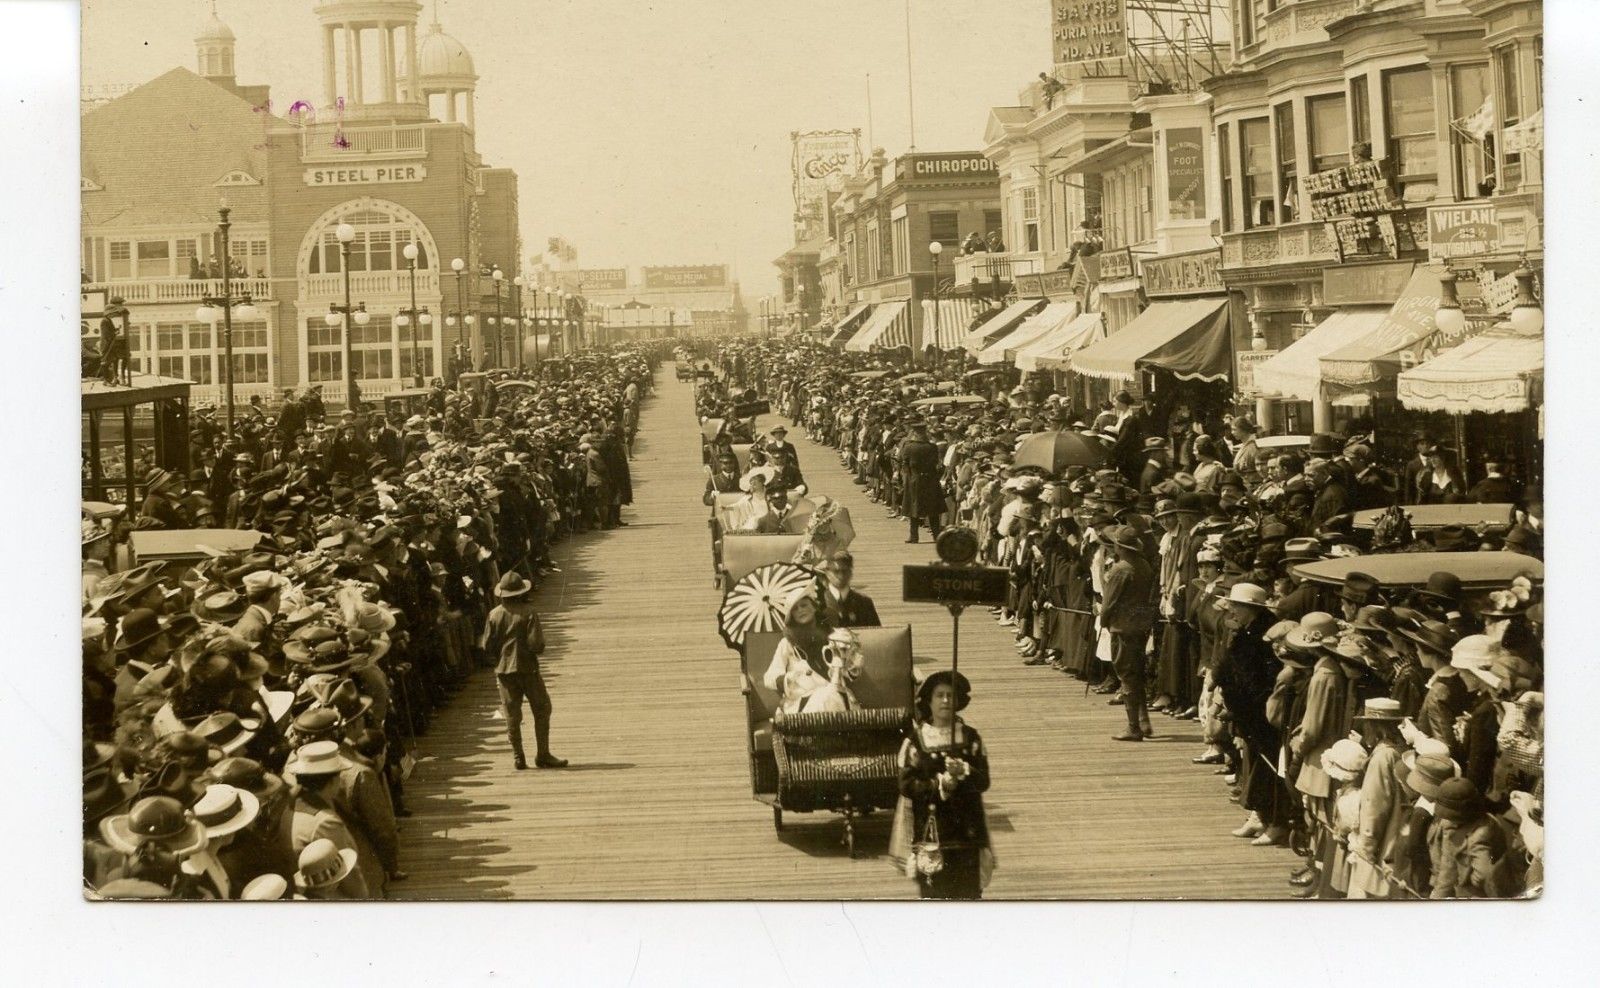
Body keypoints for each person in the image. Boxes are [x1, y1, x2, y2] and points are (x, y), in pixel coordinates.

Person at [895, 670, 992, 899]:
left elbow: (983, 780)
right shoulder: (916, 741)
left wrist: (965, 772)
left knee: (968, 898)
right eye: (940, 695)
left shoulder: (971, 738)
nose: (946, 701)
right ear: (929, 701)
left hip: (967, 833)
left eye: (951, 695)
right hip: (932, 832)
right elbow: (906, 784)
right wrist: (940, 784)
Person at [480, 572, 565, 770]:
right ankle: (543, 754)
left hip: (504, 671)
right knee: (542, 708)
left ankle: (518, 757)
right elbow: (537, 645)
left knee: (512, 714)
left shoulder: (493, 614)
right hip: (528, 669)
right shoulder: (529, 612)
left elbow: (487, 646)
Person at [762, 590, 859, 713]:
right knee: (824, 698)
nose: (800, 610)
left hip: (836, 698)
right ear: (792, 616)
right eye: (795, 609)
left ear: (814, 607)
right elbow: (769, 677)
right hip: (803, 705)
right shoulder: (788, 643)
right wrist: (789, 679)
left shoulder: (835, 636)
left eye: (804, 605)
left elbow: (849, 671)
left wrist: (851, 665)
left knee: (829, 696)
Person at [1102, 524, 1157, 741]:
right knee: (1137, 672)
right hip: (1140, 624)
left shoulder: (1120, 569)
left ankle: (1133, 726)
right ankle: (1143, 722)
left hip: (1122, 626)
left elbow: (1109, 602)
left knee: (1126, 674)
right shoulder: (1143, 565)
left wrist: (1104, 620)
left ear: (1120, 546)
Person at [896, 419, 943, 544]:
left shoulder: (909, 446)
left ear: (914, 433)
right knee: (933, 509)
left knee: (914, 508)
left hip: (915, 479)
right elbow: (936, 463)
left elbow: (903, 462)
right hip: (931, 479)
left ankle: (914, 536)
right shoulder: (932, 447)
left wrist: (907, 477)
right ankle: (937, 535)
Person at [819, 551, 880, 628]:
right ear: (827, 573)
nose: (841, 576)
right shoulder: (817, 603)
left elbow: (876, 634)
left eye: (844, 571)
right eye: (836, 571)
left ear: (850, 573)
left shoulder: (864, 603)